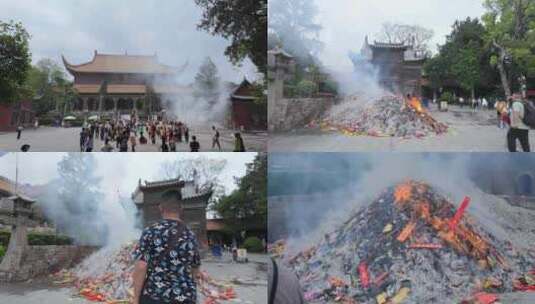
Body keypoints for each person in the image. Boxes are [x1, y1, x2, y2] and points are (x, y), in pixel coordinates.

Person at [132, 190, 201, 304]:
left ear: (160, 208)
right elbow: (195, 268)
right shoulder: (190, 235)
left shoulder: (151, 232)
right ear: (181, 209)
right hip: (185, 297)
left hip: (155, 296)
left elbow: (141, 266)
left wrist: (135, 299)